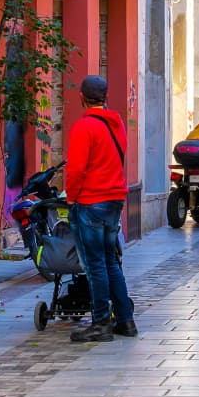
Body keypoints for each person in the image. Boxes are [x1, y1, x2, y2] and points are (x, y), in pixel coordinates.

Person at [64, 74, 136, 342]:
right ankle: (125, 320)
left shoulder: (84, 127)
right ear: (105, 97)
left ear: (81, 97)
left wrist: (71, 198)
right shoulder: (117, 125)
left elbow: (76, 169)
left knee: (95, 264)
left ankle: (101, 323)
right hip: (115, 199)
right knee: (110, 261)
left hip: (91, 200)